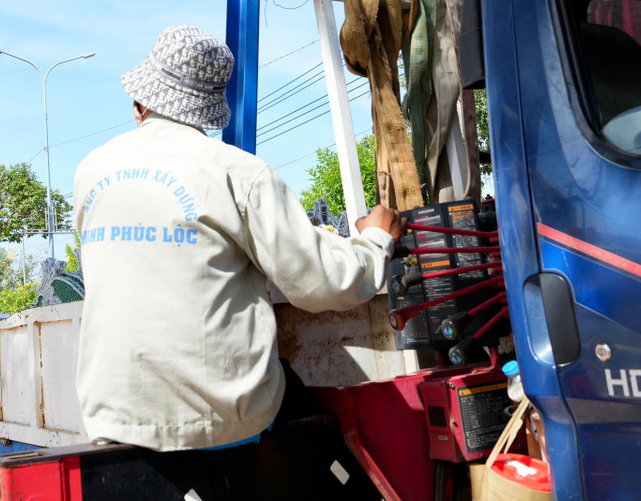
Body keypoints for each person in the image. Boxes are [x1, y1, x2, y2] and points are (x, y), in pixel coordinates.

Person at [73, 24, 404, 452]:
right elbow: (323, 283)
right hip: (220, 420)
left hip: (112, 416)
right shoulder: (238, 173)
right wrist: (375, 241)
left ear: (141, 104)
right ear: (207, 110)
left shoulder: (90, 171)